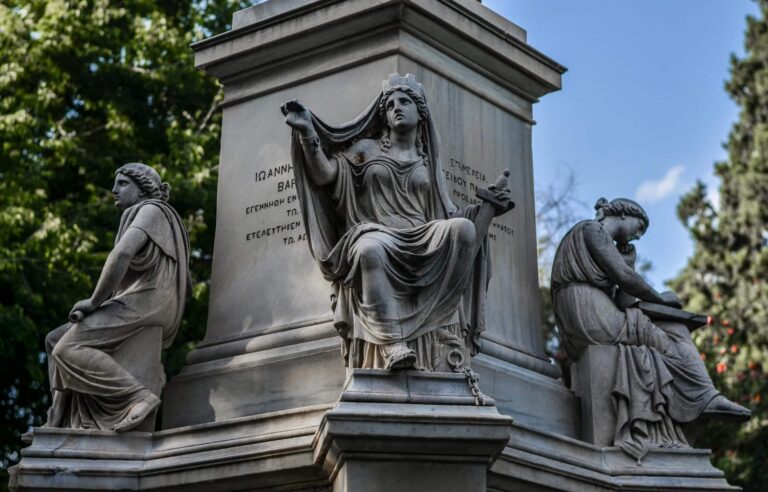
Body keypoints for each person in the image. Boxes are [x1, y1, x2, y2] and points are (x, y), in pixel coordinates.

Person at [281, 73, 512, 371]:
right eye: (390, 105)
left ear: (420, 111)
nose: (396, 108)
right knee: (369, 250)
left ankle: (439, 321)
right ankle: (392, 345)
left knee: (463, 229)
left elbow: (445, 212)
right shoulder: (366, 149)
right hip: (375, 231)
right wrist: (308, 134)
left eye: (404, 102)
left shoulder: (426, 162)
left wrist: (488, 209)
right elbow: (325, 174)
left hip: (421, 233)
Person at [551, 197, 750, 459]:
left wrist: (629, 263)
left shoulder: (600, 242)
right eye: (639, 227)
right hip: (588, 312)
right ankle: (702, 395)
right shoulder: (591, 229)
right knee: (673, 329)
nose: (638, 235)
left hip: (591, 313)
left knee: (668, 329)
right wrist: (660, 297)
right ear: (623, 215)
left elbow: (623, 298)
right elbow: (626, 280)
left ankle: (701, 396)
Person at [44, 163, 190, 432]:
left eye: (123, 183)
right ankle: (57, 418)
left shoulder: (152, 210)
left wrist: (94, 301)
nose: (114, 190)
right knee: (54, 340)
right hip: (139, 300)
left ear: (143, 189)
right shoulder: (145, 213)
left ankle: (138, 395)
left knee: (67, 349)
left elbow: (122, 254)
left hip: (149, 302)